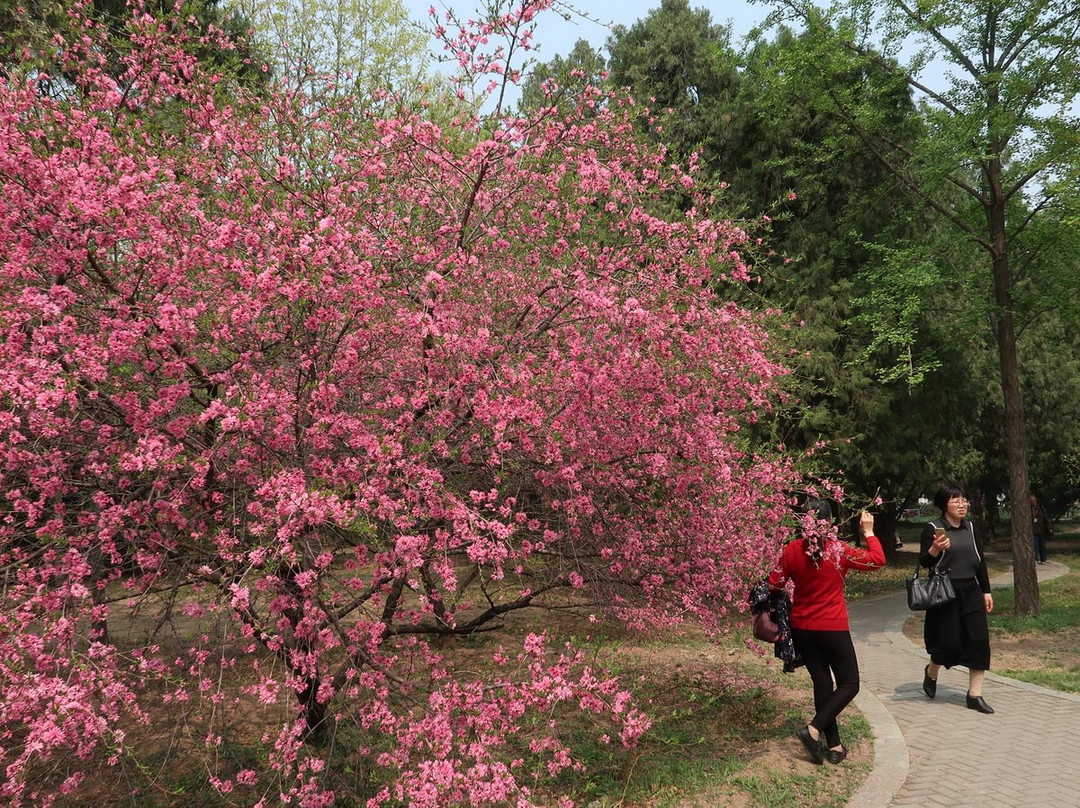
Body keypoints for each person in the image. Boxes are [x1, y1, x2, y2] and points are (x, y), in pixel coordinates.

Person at [768, 500, 883, 765]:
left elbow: (774, 584)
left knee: (822, 683)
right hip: (832, 628)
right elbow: (878, 560)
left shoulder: (791, 550)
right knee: (850, 684)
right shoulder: (838, 550)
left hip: (802, 628)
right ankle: (813, 729)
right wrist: (868, 532)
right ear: (830, 523)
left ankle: (835, 746)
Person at [919, 483, 995, 714]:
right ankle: (931, 671)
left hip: (971, 590)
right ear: (945, 504)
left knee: (979, 641)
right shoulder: (933, 528)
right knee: (948, 644)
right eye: (956, 500)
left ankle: (974, 695)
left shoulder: (970, 527)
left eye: (964, 500)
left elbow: (979, 560)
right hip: (944, 591)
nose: (962, 505)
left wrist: (986, 590)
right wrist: (935, 549)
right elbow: (924, 562)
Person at [1030, 493, 1051, 564]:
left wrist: (1049, 527)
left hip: (1041, 529)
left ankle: (1043, 559)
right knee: (1035, 545)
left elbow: (1046, 518)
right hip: (1033, 530)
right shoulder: (1029, 509)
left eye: (1034, 500)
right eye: (1031, 501)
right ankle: (1037, 558)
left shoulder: (1041, 508)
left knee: (1042, 545)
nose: (1033, 502)